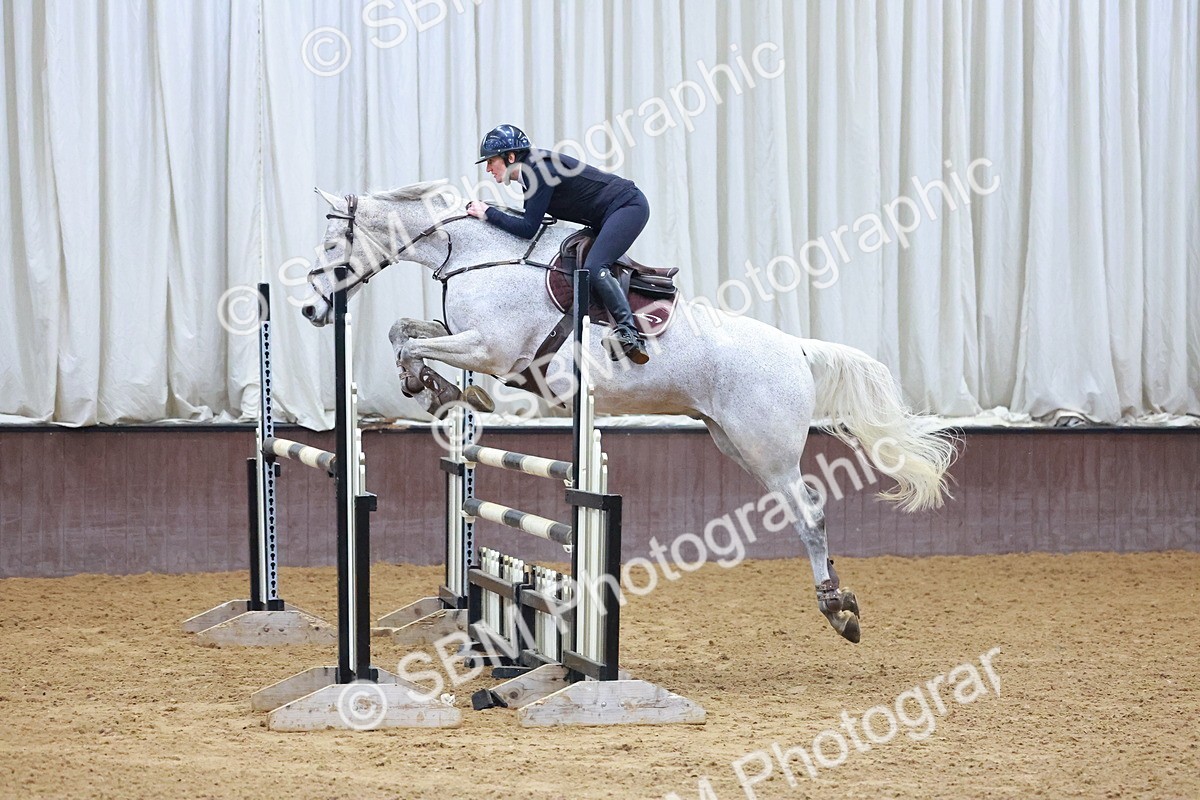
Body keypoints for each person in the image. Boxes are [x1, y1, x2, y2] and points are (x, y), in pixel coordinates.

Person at [466, 124, 650, 364]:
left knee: (595, 266)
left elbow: (527, 229)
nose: (488, 169)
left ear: (510, 157)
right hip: (605, 215)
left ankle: (629, 333)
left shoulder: (538, 170)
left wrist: (489, 213)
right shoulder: (531, 171)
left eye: (491, 161)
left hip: (628, 206)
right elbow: (531, 220)